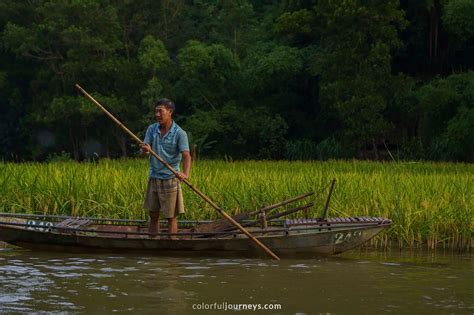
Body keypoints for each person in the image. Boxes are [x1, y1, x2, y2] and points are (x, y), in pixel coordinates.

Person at [140, 98, 191, 238]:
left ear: (170, 112)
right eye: (156, 111)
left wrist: (185, 174)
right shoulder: (152, 129)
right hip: (154, 176)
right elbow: (144, 150)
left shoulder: (180, 133)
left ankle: (172, 243)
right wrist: (145, 150)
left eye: (160, 111)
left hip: (170, 178)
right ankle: (152, 241)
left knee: (170, 215)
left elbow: (186, 156)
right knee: (153, 213)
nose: (157, 115)